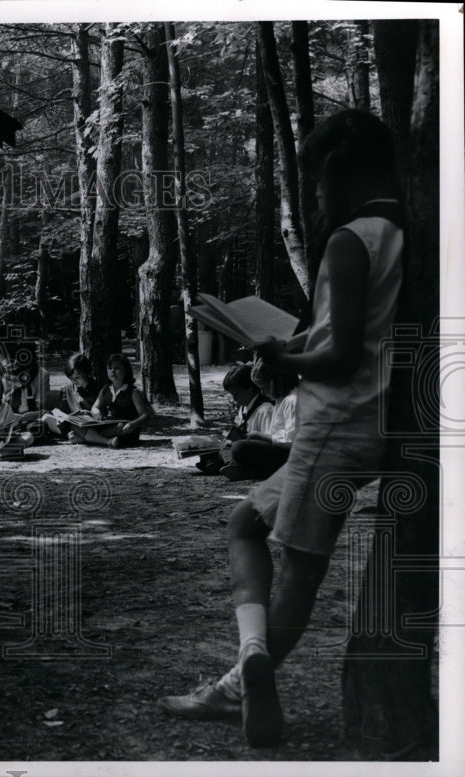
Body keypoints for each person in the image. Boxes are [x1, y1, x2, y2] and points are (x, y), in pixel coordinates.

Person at [158, 109, 405, 749]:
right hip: (365, 423)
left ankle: (248, 674)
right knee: (245, 522)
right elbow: (355, 330)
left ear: (340, 173)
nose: (315, 194)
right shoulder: (403, 232)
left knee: (301, 569)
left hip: (333, 423)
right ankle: (248, 665)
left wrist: (281, 360)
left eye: (318, 179)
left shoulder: (351, 239)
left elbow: (343, 353)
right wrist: (294, 341)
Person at [221, 358, 299, 481]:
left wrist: (261, 436)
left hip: (293, 456)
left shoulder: (292, 400)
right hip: (282, 452)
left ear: (275, 382)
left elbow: (291, 441)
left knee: (239, 448)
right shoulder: (280, 401)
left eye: (263, 387)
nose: (261, 392)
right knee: (228, 446)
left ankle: (247, 470)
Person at [195, 363, 273, 475]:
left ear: (250, 389)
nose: (235, 399)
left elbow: (267, 441)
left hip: (253, 450)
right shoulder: (243, 408)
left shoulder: (265, 409)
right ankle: (218, 463)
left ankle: (232, 466)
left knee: (235, 449)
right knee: (208, 447)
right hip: (240, 446)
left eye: (236, 394)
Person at [69, 354, 154, 448]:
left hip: (126, 430)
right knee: (75, 426)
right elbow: (95, 407)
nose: (112, 371)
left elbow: (145, 415)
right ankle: (106, 441)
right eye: (110, 368)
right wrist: (96, 412)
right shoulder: (106, 389)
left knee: (120, 426)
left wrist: (132, 424)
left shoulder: (133, 392)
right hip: (109, 426)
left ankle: (89, 439)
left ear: (126, 370)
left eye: (116, 368)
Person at [41, 353, 100, 438]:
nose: (74, 381)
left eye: (77, 377)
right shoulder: (68, 388)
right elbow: (63, 412)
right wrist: (60, 413)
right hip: (73, 425)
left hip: (92, 426)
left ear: (87, 372)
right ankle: (69, 435)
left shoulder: (97, 388)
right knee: (46, 418)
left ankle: (80, 437)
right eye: (71, 378)